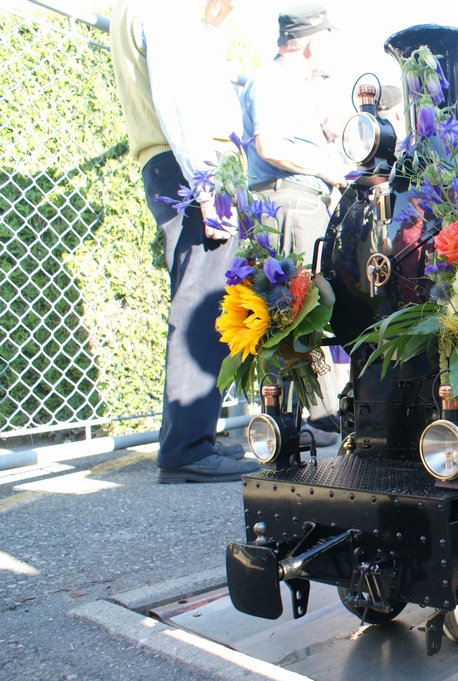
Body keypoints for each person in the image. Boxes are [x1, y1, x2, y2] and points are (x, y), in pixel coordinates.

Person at [109, 0, 260, 482]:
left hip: (178, 164)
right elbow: (179, 96)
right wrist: (207, 184)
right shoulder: (165, 7)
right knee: (202, 303)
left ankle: (193, 436)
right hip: (193, 167)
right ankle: (186, 449)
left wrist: (209, 28)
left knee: (204, 297)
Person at [241, 4, 350, 443]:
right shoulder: (272, 80)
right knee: (292, 308)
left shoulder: (292, 87)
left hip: (298, 201)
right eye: (325, 41)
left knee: (303, 308)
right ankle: (296, 420)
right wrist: (328, 169)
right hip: (288, 201)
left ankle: (307, 417)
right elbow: (269, 145)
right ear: (311, 43)